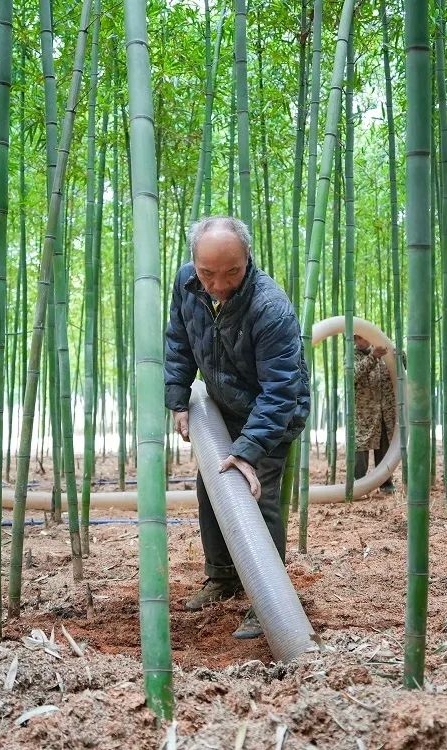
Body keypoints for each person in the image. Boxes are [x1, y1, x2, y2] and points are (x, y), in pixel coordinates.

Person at [164, 216, 310, 640]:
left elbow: (282, 390)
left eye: (232, 272)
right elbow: (178, 339)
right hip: (224, 405)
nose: (219, 284)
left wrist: (248, 450)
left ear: (248, 260)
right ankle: (223, 577)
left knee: (254, 494)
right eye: (208, 273)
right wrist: (177, 399)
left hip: (272, 413)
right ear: (194, 263)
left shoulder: (270, 308)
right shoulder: (188, 283)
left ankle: (267, 602)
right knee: (212, 488)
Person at [353, 333, 396, 494]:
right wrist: (373, 357)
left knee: (385, 447)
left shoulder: (384, 352)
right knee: (361, 447)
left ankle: (386, 483)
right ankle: (358, 485)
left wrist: (398, 354)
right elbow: (353, 374)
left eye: (361, 337)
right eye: (356, 338)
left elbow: (401, 368)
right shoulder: (353, 356)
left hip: (385, 410)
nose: (359, 342)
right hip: (364, 411)